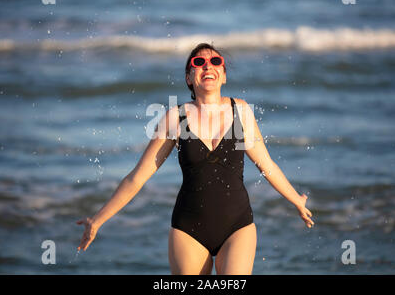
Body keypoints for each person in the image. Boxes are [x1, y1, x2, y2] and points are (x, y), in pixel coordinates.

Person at [76, 43, 314, 275]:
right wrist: (97, 220)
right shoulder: (175, 118)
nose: (207, 66)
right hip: (188, 230)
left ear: (223, 76)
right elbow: (137, 178)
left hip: (237, 226)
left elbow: (267, 165)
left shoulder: (240, 111)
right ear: (189, 78)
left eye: (215, 61)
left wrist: (296, 200)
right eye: (198, 62)